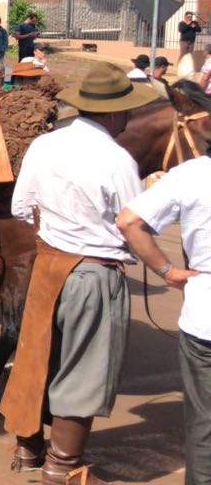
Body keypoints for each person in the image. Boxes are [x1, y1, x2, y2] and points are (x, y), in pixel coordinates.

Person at [0, 62, 161, 485]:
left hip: (49, 265)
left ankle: (27, 448)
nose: (126, 117)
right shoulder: (118, 159)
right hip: (95, 271)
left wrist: (58, 227)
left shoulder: (43, 145)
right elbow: (132, 222)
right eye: (125, 110)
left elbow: (20, 208)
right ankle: (63, 466)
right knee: (85, 368)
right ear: (111, 114)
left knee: (37, 358)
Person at [117, 157, 211, 485]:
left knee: (205, 429)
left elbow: (128, 221)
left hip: (206, 319)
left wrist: (166, 271)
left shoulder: (192, 172)